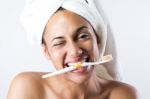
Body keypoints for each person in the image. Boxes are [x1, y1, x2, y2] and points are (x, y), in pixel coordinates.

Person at [7, 0, 139, 99]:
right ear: (46, 51)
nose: (75, 51)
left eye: (83, 36)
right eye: (59, 43)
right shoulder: (26, 87)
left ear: (98, 39)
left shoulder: (124, 95)